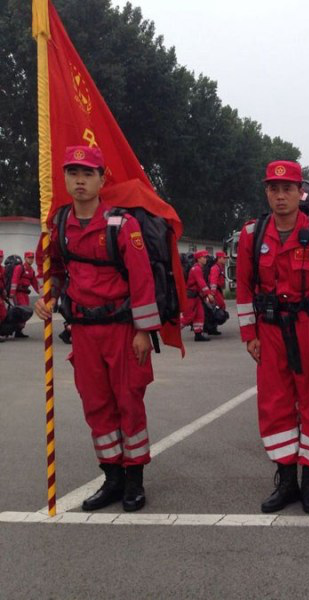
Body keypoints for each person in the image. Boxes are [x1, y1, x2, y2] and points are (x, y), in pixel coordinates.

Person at [34, 145, 159, 512]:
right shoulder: (59, 224)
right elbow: (56, 272)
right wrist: (48, 298)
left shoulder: (122, 224)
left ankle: (134, 478)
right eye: (73, 173)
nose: (80, 180)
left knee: (129, 402)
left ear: (102, 179)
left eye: (88, 173)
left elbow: (142, 280)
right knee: (97, 406)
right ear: (65, 179)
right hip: (84, 330)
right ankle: (112, 477)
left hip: (122, 330)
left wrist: (142, 330)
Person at [236, 160, 309, 514]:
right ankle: (286, 482)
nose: (280, 196)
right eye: (273, 189)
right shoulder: (253, 234)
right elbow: (243, 288)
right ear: (266, 192)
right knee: (275, 405)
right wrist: (249, 334)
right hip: (269, 331)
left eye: (287, 189)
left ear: (301, 193)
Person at [183, 250, 215, 341]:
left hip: (196, 296)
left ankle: (198, 334)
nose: (206, 259)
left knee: (200, 315)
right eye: (204, 257)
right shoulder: (196, 269)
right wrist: (208, 294)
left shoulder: (199, 268)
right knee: (187, 317)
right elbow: (201, 283)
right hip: (191, 297)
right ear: (198, 259)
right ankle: (173, 332)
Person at [9, 251, 39, 338]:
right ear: (25, 258)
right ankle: (17, 330)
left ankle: (19, 330)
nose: (31, 259)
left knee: (26, 311)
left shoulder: (31, 271)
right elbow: (14, 280)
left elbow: (35, 284)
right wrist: (12, 294)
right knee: (23, 311)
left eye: (32, 258)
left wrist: (42, 294)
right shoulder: (19, 268)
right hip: (18, 293)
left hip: (25, 294)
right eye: (29, 258)